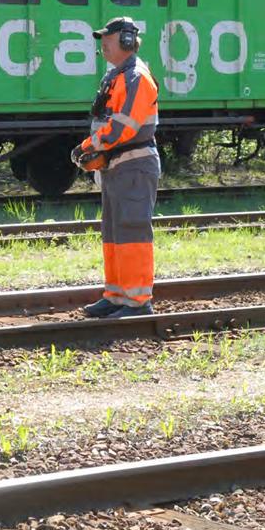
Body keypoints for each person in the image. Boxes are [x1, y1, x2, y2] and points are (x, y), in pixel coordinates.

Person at [71, 17, 160, 318]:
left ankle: (137, 302)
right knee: (114, 231)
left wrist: (89, 145)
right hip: (118, 166)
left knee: (132, 229)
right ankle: (117, 295)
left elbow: (122, 128)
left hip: (134, 165)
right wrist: (91, 147)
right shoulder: (117, 76)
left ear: (126, 41)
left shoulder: (136, 77)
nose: (103, 44)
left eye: (108, 38)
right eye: (102, 39)